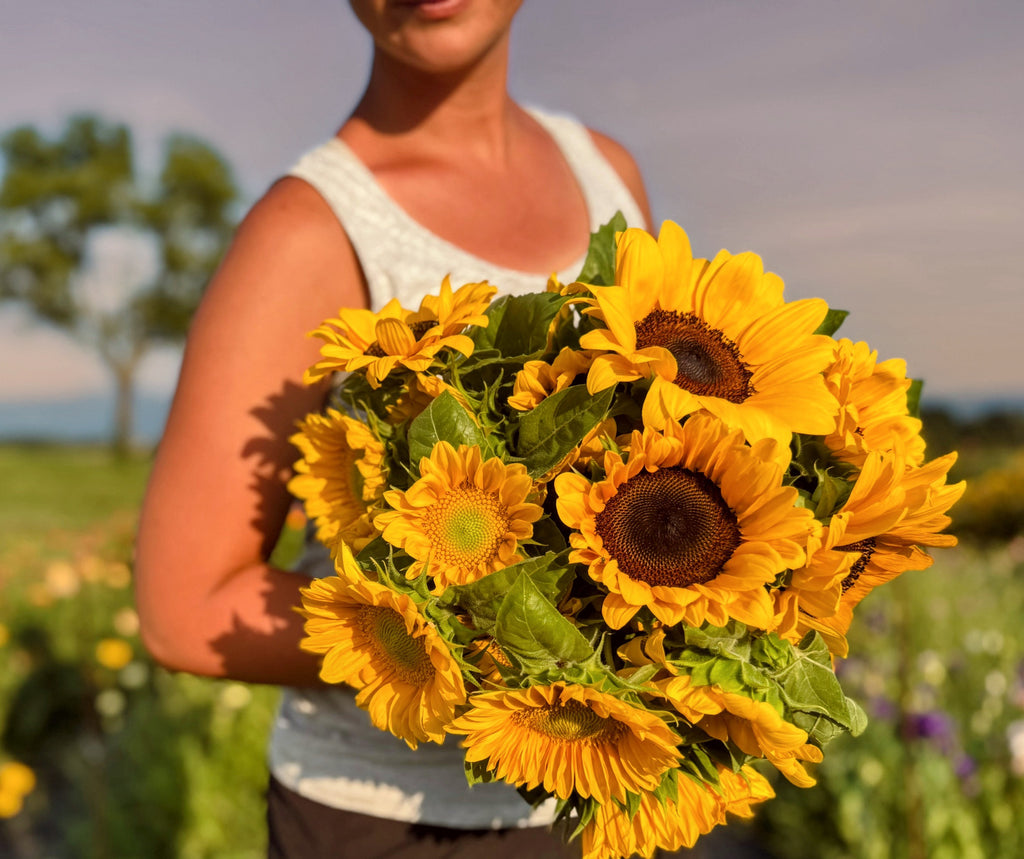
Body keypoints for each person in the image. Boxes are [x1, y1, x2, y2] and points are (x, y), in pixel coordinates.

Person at [135, 1, 651, 856]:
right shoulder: (305, 232)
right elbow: (184, 609)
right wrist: (474, 634)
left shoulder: (609, 175)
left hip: (606, 795)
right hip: (388, 818)